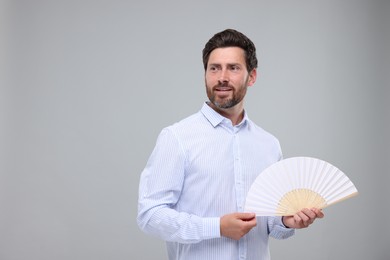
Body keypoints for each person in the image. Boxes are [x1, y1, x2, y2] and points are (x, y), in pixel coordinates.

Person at [137, 28, 324, 260]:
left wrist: (287, 221)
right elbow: (150, 215)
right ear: (205, 74)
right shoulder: (176, 138)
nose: (222, 77)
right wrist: (217, 227)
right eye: (214, 68)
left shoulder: (269, 145)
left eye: (233, 68)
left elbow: (272, 225)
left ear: (252, 76)